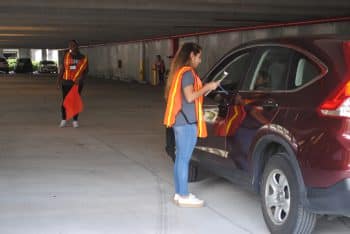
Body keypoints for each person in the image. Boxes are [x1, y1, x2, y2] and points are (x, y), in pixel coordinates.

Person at [163, 42, 220, 208]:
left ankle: (180, 193)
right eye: (199, 56)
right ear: (191, 56)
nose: (200, 60)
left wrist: (207, 88)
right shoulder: (188, 73)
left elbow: (192, 95)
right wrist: (208, 86)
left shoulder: (180, 72)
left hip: (181, 121)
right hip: (186, 122)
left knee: (180, 158)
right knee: (183, 159)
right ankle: (184, 195)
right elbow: (189, 97)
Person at [57, 40, 88, 128]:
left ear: (77, 46)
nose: (72, 47)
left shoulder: (83, 58)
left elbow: (85, 71)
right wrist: (58, 80)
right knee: (65, 101)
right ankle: (64, 119)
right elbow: (62, 68)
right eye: (70, 45)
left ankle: (75, 120)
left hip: (77, 83)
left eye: (73, 45)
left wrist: (80, 78)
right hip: (66, 82)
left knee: (75, 101)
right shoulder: (66, 56)